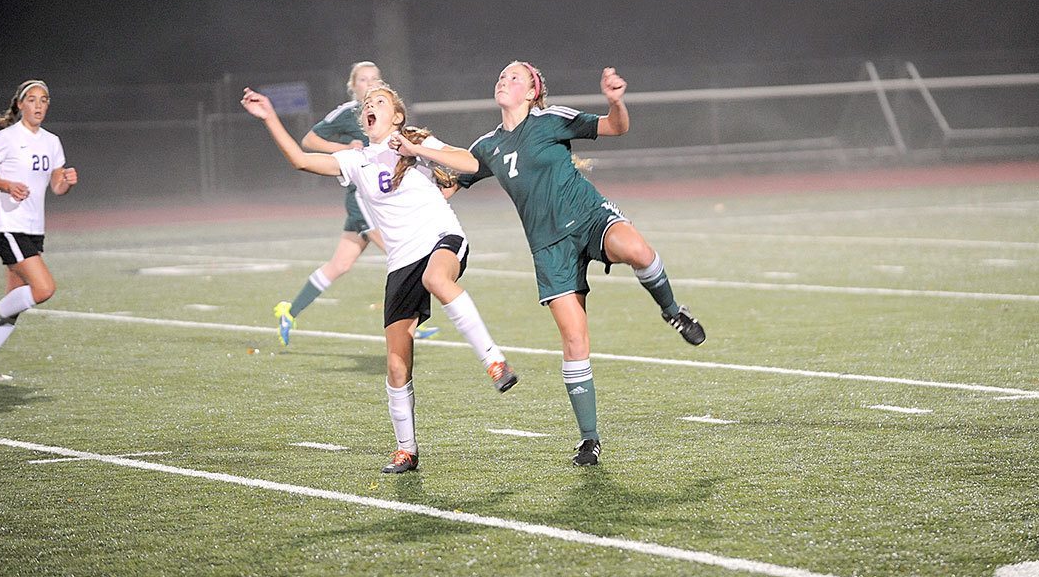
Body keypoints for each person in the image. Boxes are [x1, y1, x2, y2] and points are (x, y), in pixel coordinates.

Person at [391, 62, 704, 467]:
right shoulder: (488, 145)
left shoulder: (550, 120)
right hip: (548, 248)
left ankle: (672, 310)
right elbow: (450, 183)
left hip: (589, 216)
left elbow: (615, 127)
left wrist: (616, 101)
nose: (505, 80)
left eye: (515, 77)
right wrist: (412, 161)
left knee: (639, 251)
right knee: (575, 341)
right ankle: (589, 440)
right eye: (501, 76)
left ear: (532, 91)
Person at [242, 82, 518, 474]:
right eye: (367, 103)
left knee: (438, 280)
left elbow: (468, 164)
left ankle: (494, 362)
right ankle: (407, 450)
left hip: (441, 238)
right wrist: (270, 117)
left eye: (380, 102)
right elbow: (301, 160)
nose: (370, 106)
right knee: (395, 365)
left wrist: (416, 149)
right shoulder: (357, 159)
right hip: (401, 261)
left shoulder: (413, 140)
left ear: (397, 115)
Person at [0, 80, 78, 382]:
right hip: (8, 226)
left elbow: (56, 187)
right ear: (20, 105)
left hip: (33, 228)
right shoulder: (7, 138)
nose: (38, 105)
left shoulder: (52, 142)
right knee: (44, 289)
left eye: (44, 100)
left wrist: (66, 182)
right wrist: (7, 184)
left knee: (15, 300)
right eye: (32, 100)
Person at [272, 61, 393, 345]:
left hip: (375, 197)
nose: (370, 84)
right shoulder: (348, 113)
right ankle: (407, 318)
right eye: (363, 80)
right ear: (353, 86)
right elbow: (309, 140)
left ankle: (289, 311)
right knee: (399, 252)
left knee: (340, 264)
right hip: (361, 197)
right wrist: (345, 147)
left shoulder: (385, 110)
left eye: (374, 79)